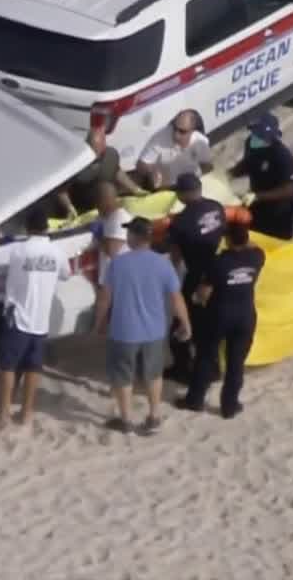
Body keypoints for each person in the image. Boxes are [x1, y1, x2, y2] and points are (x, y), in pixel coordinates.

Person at [92, 217, 192, 436]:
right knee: (153, 375)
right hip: (154, 331)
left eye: (128, 233)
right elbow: (177, 299)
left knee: (122, 377)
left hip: (123, 331)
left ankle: (126, 420)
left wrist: (99, 323)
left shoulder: (117, 263)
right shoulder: (163, 263)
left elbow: (104, 299)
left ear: (134, 237)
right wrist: (186, 323)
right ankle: (154, 416)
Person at [0, 207, 73, 432]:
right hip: (41, 320)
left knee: (8, 367)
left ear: (27, 227)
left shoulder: (19, 249)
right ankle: (26, 413)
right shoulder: (56, 252)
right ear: (46, 228)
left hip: (18, 317)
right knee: (33, 367)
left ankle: (3, 415)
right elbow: (66, 274)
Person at [177, 209, 264, 418]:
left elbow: (203, 292)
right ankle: (229, 406)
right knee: (236, 363)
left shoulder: (218, 263)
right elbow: (254, 246)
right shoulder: (257, 257)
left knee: (206, 356)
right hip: (245, 316)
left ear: (227, 239)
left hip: (219, 315)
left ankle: (195, 400)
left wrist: (196, 302)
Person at [164, 172, 227, 384]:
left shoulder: (180, 222)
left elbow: (175, 256)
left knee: (181, 323)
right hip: (219, 272)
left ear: (182, 195)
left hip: (197, 275)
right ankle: (215, 368)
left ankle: (183, 368)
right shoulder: (217, 207)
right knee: (211, 322)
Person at [228, 112, 293, 240]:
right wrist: (230, 174)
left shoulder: (283, 158)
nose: (257, 138)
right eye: (256, 134)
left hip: (279, 209)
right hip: (257, 200)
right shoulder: (250, 143)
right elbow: (248, 163)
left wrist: (257, 196)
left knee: (276, 241)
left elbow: (287, 190)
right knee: (253, 233)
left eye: (262, 137)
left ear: (271, 138)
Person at [57, 127, 144, 216]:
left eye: (96, 151)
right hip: (82, 204)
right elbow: (61, 189)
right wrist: (69, 207)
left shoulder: (111, 155)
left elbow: (117, 172)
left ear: (104, 145)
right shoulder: (76, 162)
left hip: (106, 199)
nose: (93, 155)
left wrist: (136, 189)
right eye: (91, 150)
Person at [135, 109, 215, 191]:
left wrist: (194, 179)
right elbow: (141, 163)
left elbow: (208, 166)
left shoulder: (200, 142)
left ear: (193, 131)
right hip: (163, 188)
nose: (176, 135)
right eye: (174, 128)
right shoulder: (161, 136)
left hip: (187, 188)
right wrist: (151, 172)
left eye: (182, 131)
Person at [91, 180, 132, 287]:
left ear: (106, 201)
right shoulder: (107, 218)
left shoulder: (120, 218)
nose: (96, 206)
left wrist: (99, 235)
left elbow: (111, 250)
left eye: (98, 202)